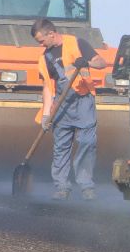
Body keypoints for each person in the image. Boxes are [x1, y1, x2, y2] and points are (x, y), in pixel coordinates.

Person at [32, 17, 108, 201]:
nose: (41, 45)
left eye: (41, 40)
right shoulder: (44, 57)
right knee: (61, 147)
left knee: (87, 143)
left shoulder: (77, 43)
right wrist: (47, 114)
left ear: (51, 33)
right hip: (62, 103)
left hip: (83, 100)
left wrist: (86, 62)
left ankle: (86, 186)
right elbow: (48, 88)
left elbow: (101, 62)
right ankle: (61, 187)